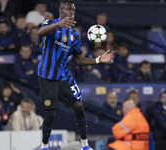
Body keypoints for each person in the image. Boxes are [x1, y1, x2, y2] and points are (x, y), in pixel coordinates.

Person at [37, 1, 114, 150]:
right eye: (67, 8)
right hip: (47, 75)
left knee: (79, 106)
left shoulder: (74, 35)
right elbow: (40, 33)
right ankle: (44, 146)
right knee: (51, 113)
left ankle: (85, 146)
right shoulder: (50, 23)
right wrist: (58, 25)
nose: (71, 11)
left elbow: (80, 60)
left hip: (64, 75)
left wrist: (98, 59)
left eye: (73, 9)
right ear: (60, 10)